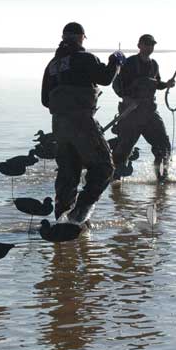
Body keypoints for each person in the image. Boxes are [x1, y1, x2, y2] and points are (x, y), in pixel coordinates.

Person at [41, 22, 123, 224]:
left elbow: (45, 100)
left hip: (59, 126)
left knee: (68, 173)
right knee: (104, 168)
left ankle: (61, 221)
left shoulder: (52, 65)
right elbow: (105, 78)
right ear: (80, 38)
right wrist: (115, 62)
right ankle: (78, 216)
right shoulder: (85, 58)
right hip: (82, 123)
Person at [110, 34, 176, 182]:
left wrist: (167, 84)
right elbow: (118, 86)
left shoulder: (154, 64)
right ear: (139, 45)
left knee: (164, 146)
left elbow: (157, 84)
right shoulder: (129, 63)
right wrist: (129, 98)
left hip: (150, 113)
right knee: (123, 151)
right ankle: (114, 179)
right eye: (146, 44)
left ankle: (163, 178)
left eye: (152, 45)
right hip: (131, 113)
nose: (149, 47)